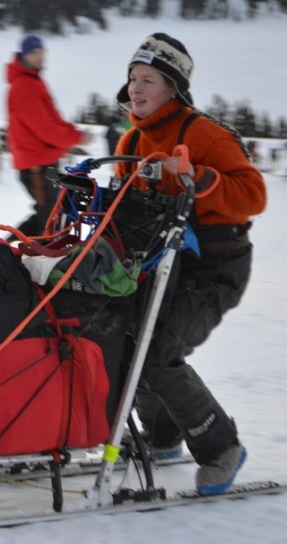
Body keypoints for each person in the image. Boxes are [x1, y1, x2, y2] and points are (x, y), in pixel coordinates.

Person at [113, 33, 267, 495]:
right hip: (163, 260)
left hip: (217, 266)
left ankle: (221, 448)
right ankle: (162, 436)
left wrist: (201, 179)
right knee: (126, 337)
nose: (137, 89)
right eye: (133, 79)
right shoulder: (131, 140)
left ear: (173, 88)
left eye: (149, 80)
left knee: (158, 349)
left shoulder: (203, 134)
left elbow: (253, 195)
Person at [6, 35, 92, 237]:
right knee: (49, 219)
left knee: (48, 214)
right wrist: (76, 138)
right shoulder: (24, 86)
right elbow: (45, 129)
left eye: (41, 53)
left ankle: (6, 248)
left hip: (43, 163)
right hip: (36, 166)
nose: (39, 57)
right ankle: (22, 255)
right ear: (23, 56)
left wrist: (73, 134)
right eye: (34, 53)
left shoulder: (34, 81)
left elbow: (54, 120)